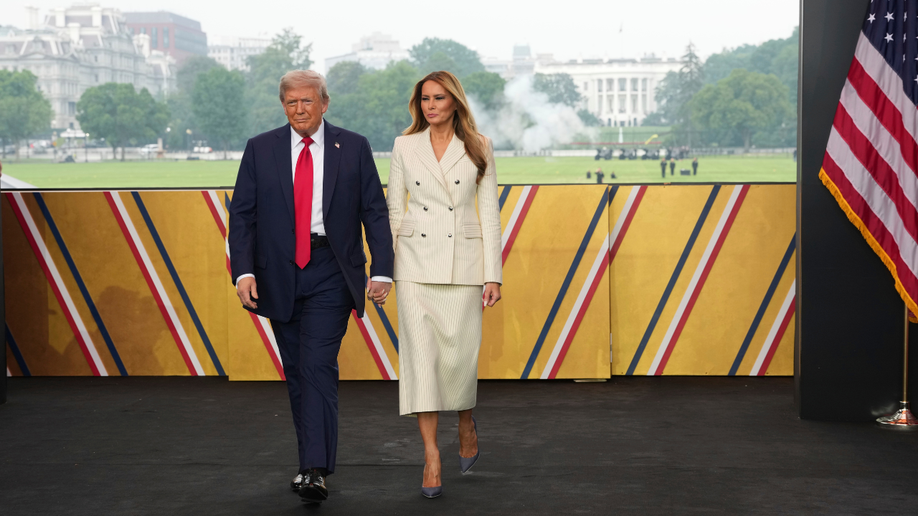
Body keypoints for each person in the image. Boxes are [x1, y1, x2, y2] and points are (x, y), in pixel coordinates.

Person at [228, 70, 394, 505]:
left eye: (307, 101)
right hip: (277, 276)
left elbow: (374, 210)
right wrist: (243, 272)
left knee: (318, 365)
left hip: (331, 271)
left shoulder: (353, 146)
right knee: (299, 372)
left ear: (324, 103)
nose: (299, 109)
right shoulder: (260, 148)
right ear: (283, 105)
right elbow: (242, 215)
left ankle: (314, 469)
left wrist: (382, 270)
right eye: (291, 102)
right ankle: (310, 464)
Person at [386, 71, 502, 499]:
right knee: (421, 363)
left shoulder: (480, 146)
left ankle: (466, 423)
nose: (431, 105)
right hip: (414, 265)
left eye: (438, 98)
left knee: (458, 362)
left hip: (464, 265)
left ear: (455, 102)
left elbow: (489, 213)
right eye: (425, 99)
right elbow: (393, 210)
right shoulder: (404, 146)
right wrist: (385, 270)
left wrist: (493, 273)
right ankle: (431, 456)